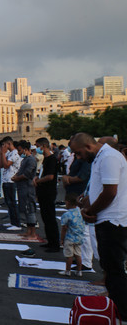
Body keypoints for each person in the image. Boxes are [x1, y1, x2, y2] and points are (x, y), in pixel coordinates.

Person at [72, 132, 127, 317]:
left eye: (79, 153)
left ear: (88, 147)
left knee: (115, 269)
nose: (78, 158)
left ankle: (121, 310)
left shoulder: (109, 157)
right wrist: (87, 202)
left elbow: (110, 192)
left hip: (113, 220)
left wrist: (91, 211)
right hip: (106, 218)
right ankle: (116, 304)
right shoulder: (99, 158)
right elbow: (102, 189)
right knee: (110, 267)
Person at [33, 137, 60, 252]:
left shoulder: (52, 159)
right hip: (43, 191)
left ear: (43, 146)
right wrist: (37, 178)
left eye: (37, 146)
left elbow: (50, 176)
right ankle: (50, 241)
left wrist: (38, 181)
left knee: (50, 218)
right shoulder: (46, 159)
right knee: (45, 217)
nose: (36, 148)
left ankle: (55, 243)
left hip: (48, 192)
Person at [12, 141, 39, 243]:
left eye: (20, 150)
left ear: (25, 149)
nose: (19, 152)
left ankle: (33, 233)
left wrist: (17, 178)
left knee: (30, 210)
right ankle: (28, 231)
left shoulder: (31, 160)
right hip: (22, 187)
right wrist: (16, 176)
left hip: (28, 188)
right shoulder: (25, 160)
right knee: (26, 210)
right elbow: (21, 171)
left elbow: (27, 174)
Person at [59, 193, 85, 277]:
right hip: (79, 237)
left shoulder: (66, 215)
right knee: (78, 255)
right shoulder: (79, 211)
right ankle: (79, 271)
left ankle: (68, 271)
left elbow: (64, 228)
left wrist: (62, 239)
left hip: (70, 238)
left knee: (69, 255)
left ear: (68, 202)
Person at [0, 137, 22, 230]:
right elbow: (1, 165)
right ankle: (12, 222)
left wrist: (3, 153)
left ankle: (17, 224)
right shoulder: (8, 153)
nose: (3, 146)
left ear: (9, 144)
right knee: (8, 202)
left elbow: (6, 165)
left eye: (4, 144)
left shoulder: (15, 153)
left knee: (12, 202)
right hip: (6, 179)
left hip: (11, 180)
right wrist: (1, 153)